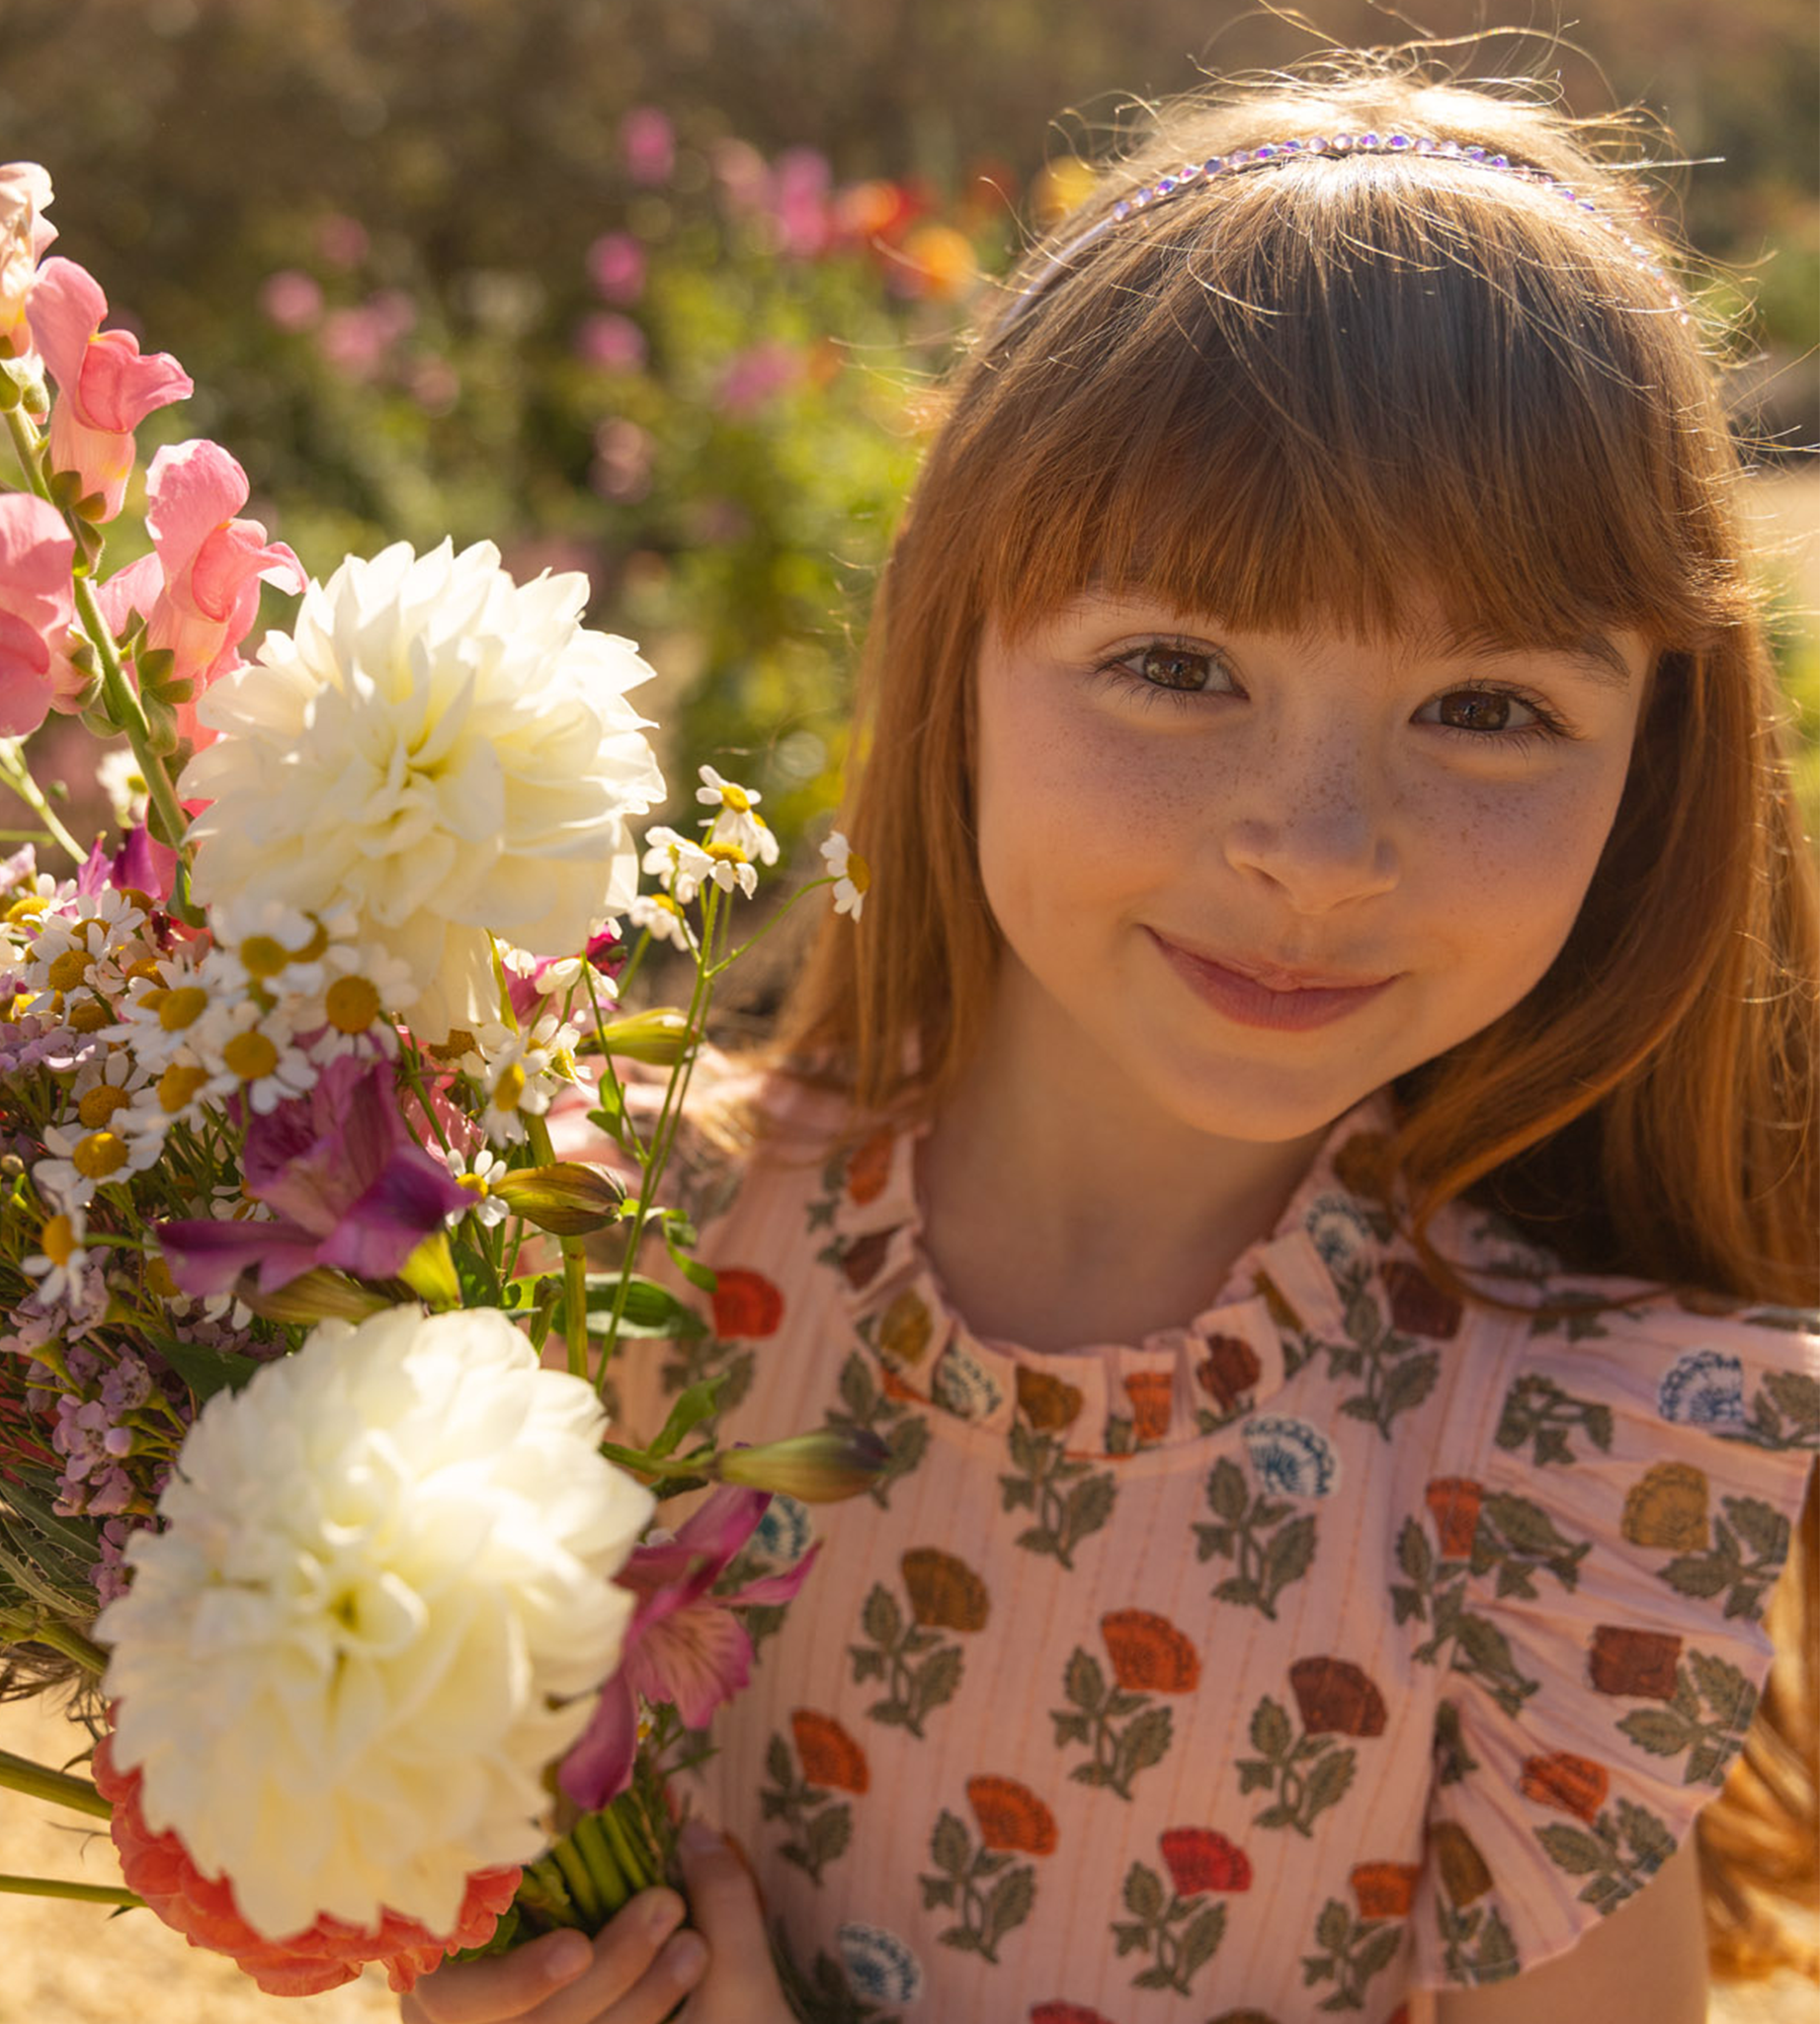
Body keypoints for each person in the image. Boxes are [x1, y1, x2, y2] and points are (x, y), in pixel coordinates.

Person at [404, 48, 1820, 2024]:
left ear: (1652, 762)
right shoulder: (603, 1258)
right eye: (1174, 665)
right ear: (949, 652)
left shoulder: (1554, 1464)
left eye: (1487, 707)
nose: (1316, 852)